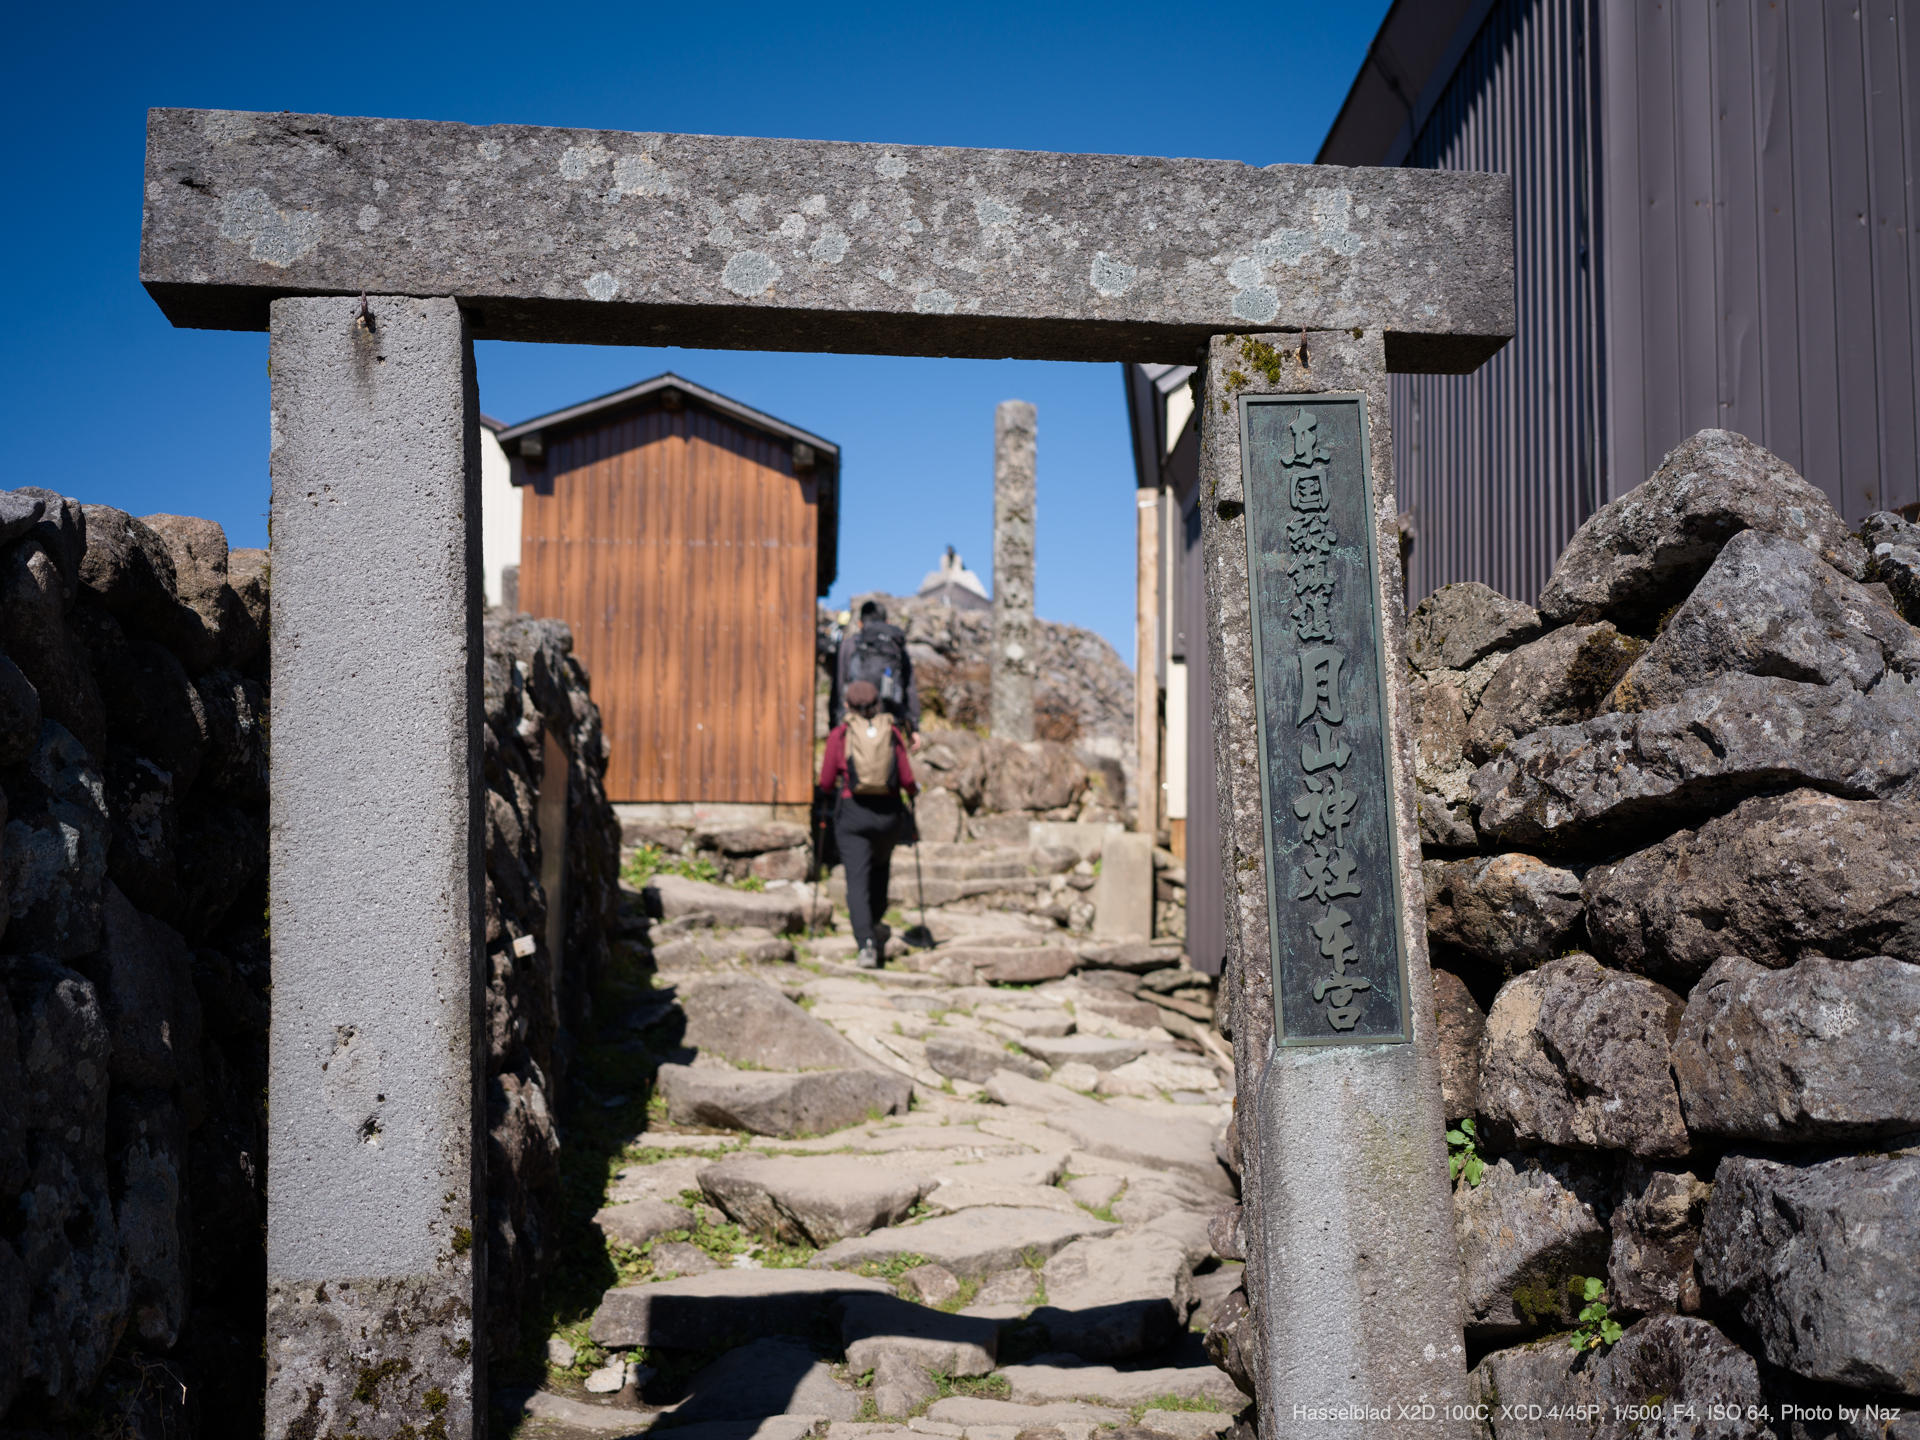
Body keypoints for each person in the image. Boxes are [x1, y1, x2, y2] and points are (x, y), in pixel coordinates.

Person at [819, 679, 918, 968]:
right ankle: (875, 923)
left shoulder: (840, 735)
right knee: (880, 868)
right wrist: (913, 794)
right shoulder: (892, 733)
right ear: (878, 703)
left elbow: (826, 781)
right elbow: (908, 780)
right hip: (888, 815)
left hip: (853, 814)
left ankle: (866, 946)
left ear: (847, 704)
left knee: (856, 880)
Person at [832, 599, 921, 749]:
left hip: (854, 723)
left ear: (860, 623)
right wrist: (914, 728)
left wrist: (834, 727)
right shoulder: (896, 646)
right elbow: (909, 687)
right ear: (887, 621)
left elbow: (839, 685)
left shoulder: (849, 645)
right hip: (890, 722)